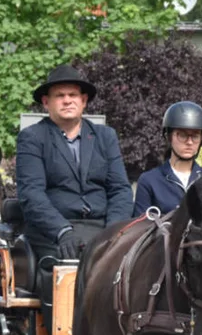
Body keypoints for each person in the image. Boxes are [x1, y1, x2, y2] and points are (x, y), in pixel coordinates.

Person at [16, 64, 133, 262]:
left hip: (102, 228)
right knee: (73, 270)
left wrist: (113, 233)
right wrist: (62, 231)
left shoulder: (105, 136)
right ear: (46, 102)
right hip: (53, 232)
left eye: (73, 95)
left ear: (84, 100)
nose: (67, 100)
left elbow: (120, 190)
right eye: (60, 96)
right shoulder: (32, 137)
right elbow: (31, 194)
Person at [133, 101, 202, 218]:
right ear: (168, 136)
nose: (189, 142)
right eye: (182, 135)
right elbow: (140, 228)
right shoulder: (149, 181)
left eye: (195, 136)